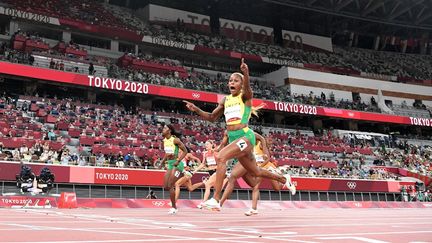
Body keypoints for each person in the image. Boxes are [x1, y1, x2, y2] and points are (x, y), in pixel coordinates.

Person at [184, 58, 294, 210]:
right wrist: (196, 109)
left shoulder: (245, 96)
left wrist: (246, 73)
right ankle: (283, 179)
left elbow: (248, 88)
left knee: (221, 156)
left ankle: (215, 199)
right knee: (255, 171)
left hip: (245, 136)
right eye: (230, 80)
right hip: (234, 138)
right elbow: (211, 117)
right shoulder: (225, 100)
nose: (232, 83)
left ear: (241, 84)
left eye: (236, 80)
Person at [219, 132, 295, 216]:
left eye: (271, 141)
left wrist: (260, 165)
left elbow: (267, 159)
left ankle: (285, 178)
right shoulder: (251, 142)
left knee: (276, 188)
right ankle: (253, 208)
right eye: (269, 140)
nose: (270, 142)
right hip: (254, 165)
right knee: (255, 186)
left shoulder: (261, 144)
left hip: (266, 167)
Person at [160, 124, 188, 214]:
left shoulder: (175, 140)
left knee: (171, 184)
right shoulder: (164, 141)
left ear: (169, 131)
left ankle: (174, 207)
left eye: (165, 128)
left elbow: (185, 151)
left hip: (177, 164)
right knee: (166, 186)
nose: (163, 129)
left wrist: (179, 160)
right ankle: (174, 206)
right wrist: (162, 162)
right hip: (170, 165)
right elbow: (167, 154)